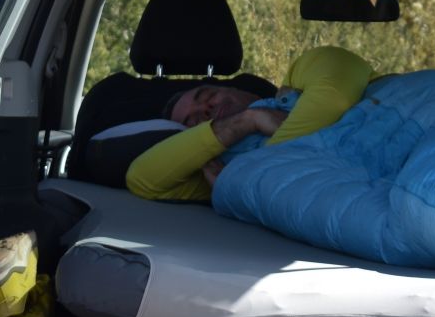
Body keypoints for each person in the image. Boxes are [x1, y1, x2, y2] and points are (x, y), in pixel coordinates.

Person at [127, 45, 376, 202]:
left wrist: (254, 173)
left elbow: (338, 69)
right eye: (193, 121)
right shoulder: (220, 172)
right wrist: (247, 121)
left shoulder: (298, 79)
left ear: (231, 87)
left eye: (207, 96)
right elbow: (142, 178)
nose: (206, 108)